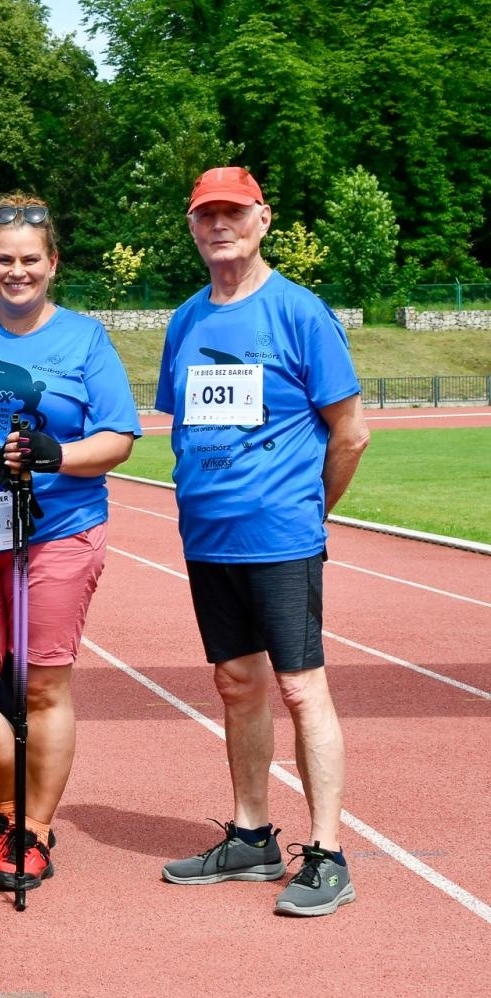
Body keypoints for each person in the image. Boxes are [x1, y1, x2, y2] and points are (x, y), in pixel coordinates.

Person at [156, 167, 368, 917]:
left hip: (280, 536)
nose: (220, 225)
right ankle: (250, 836)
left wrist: (310, 513)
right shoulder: (185, 320)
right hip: (208, 537)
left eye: (233, 213)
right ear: (191, 227)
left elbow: (351, 433)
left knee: (301, 687)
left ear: (263, 218)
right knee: (236, 685)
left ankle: (329, 851)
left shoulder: (301, 314)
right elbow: (185, 424)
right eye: (205, 214)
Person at [0, 193, 140, 895]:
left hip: (56, 531)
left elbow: (118, 437)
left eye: (29, 260)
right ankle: (14, 809)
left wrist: (58, 455)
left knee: (44, 686)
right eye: (2, 260)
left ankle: (35, 832)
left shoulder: (85, 338)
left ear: (52, 263)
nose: (15, 272)